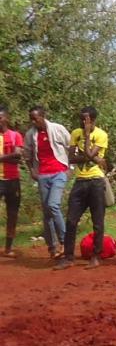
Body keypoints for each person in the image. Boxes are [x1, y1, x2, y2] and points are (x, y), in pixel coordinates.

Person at [54, 106, 108, 270]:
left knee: (97, 221)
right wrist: (91, 158)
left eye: (85, 119)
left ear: (92, 120)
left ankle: (96, 256)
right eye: (81, 119)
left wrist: (86, 138)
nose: (82, 122)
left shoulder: (101, 134)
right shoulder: (75, 133)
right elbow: (71, 158)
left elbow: (90, 155)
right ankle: (69, 257)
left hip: (96, 181)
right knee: (71, 220)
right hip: (80, 181)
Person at [24, 106, 70, 258]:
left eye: (35, 118)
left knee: (53, 205)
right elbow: (28, 155)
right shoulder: (31, 134)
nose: (33, 121)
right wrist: (32, 170)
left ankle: (65, 241)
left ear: (43, 116)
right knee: (46, 212)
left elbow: (71, 146)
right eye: (31, 118)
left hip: (59, 171)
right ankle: (52, 248)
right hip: (43, 174)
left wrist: (71, 166)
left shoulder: (57, 128)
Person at [0, 105, 23, 257]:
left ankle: (9, 247)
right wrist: (11, 158)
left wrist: (1, 158)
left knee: (12, 213)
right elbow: (14, 157)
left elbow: (18, 156)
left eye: (0, 117)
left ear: (6, 117)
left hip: (13, 179)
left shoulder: (15, 135)